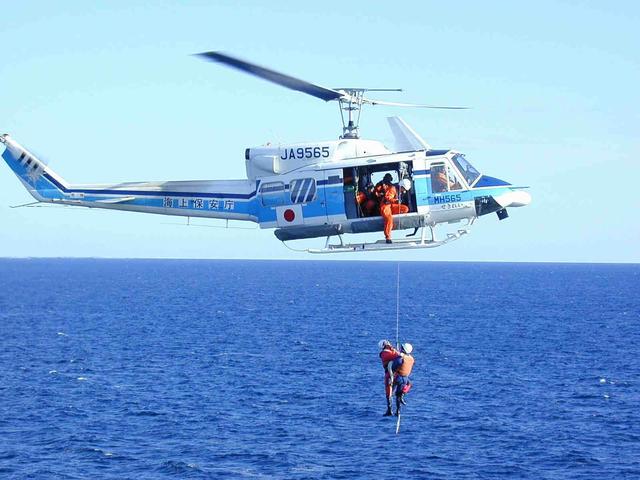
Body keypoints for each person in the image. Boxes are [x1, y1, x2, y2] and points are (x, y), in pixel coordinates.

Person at [375, 173, 409, 243]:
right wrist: (396, 201)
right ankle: (388, 237)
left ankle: (393, 216)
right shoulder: (392, 189)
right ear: (401, 186)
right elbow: (387, 198)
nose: (404, 191)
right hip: (385, 206)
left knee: (405, 209)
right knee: (389, 219)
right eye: (404, 189)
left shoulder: (399, 191)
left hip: (391, 206)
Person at [387, 342, 415, 416]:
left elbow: (394, 366)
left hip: (398, 378)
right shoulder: (411, 359)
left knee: (391, 392)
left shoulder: (401, 359)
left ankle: (389, 409)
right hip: (405, 379)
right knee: (398, 395)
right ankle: (398, 411)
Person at [378, 339, 400, 416]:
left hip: (389, 375)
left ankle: (390, 410)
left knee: (389, 392)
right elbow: (397, 356)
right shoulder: (391, 352)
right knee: (394, 391)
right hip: (396, 374)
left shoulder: (384, 353)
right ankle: (395, 410)